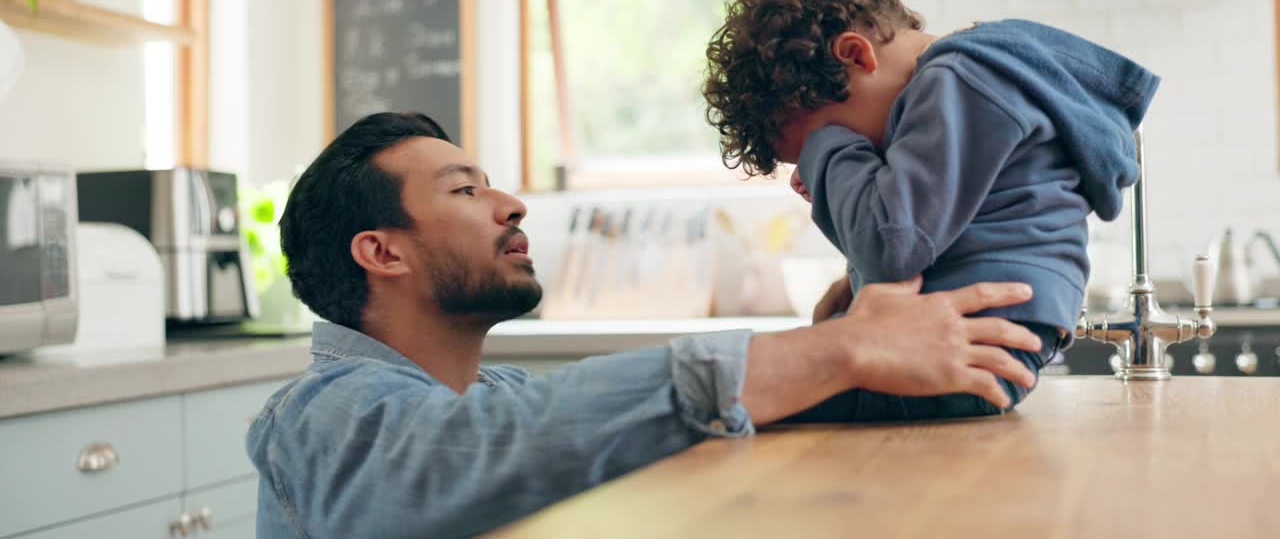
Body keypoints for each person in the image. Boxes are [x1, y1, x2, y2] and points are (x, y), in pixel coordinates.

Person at [247, 111, 1044, 538]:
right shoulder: (321, 414)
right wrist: (836, 348)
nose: (512, 203)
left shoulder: (493, 390)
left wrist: (832, 356)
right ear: (381, 252)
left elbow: (601, 431)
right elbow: (498, 445)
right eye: (464, 192)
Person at [702, 0, 1160, 421]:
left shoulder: (960, 80)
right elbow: (929, 236)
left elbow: (894, 244)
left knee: (720, 395)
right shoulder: (977, 78)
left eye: (828, 135)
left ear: (856, 55)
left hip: (971, 349)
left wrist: (830, 153)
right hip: (969, 348)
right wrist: (856, 294)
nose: (813, 170)